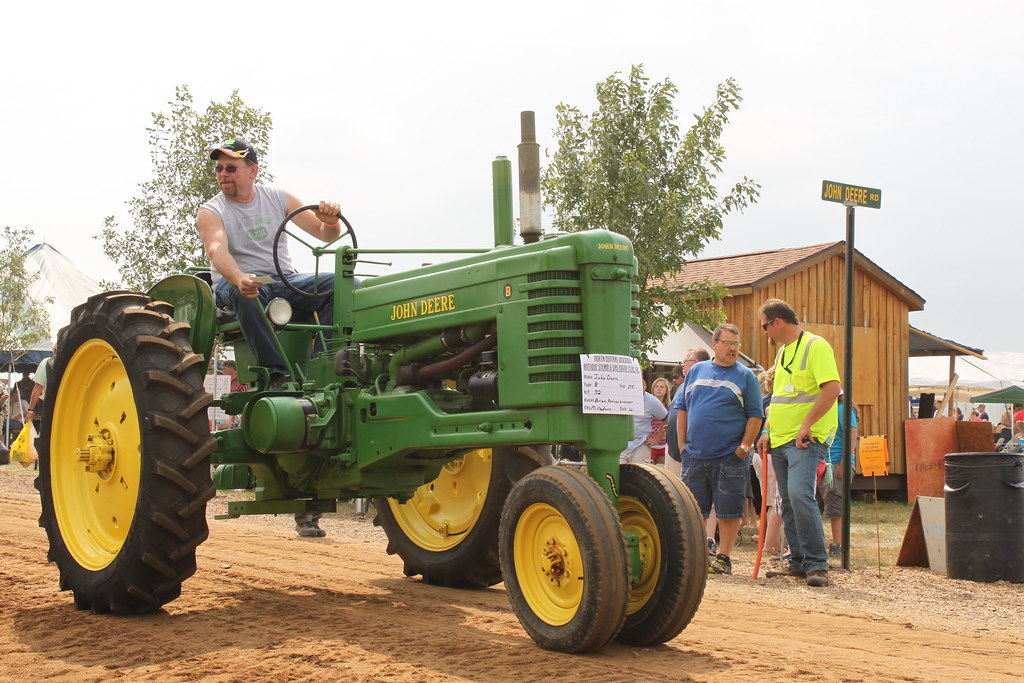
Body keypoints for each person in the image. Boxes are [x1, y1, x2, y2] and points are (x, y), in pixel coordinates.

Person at [196, 139, 343, 390]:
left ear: (253, 171)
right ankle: (277, 375)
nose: (223, 174)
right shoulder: (211, 211)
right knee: (246, 294)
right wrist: (239, 277)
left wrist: (331, 221)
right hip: (235, 283)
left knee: (341, 285)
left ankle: (323, 366)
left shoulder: (279, 198)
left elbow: (325, 235)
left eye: (231, 168)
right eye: (219, 169)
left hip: (282, 280)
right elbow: (216, 250)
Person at [757, 298, 840, 588]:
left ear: (776, 322)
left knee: (800, 495)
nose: (764, 331)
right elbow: (778, 398)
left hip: (805, 438)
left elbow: (832, 389)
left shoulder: (816, 347)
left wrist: (806, 426)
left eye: (765, 325)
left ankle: (818, 564)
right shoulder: (782, 353)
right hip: (780, 438)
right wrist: (767, 431)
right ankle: (799, 561)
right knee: (788, 501)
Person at [676, 324, 763, 575]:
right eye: (728, 343)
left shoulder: (746, 376)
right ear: (714, 344)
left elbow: (755, 416)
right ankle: (698, 555)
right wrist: (683, 446)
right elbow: (682, 408)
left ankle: (724, 557)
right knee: (694, 507)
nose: (733, 349)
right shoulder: (696, 371)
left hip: (729, 454)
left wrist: (744, 448)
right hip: (694, 454)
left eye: (737, 345)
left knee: (728, 508)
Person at [817, 394, 858, 558]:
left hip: (837, 463)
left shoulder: (843, 410)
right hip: (825, 462)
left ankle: (838, 544)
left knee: (835, 503)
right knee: (822, 503)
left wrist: (845, 461)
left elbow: (852, 435)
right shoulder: (829, 409)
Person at [752, 366, 784, 557]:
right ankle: (771, 543)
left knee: (769, 500)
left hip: (759, 455)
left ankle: (772, 540)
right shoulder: (777, 402)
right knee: (777, 500)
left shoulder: (761, 401)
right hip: (771, 453)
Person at [666, 348, 710, 478]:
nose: (681, 365)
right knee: (671, 494)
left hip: (690, 454)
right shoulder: (681, 386)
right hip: (673, 452)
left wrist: (683, 448)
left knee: (690, 495)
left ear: (695, 363)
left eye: (684, 361)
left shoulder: (705, 387)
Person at [621, 379, 668, 465]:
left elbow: (666, 418)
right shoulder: (620, 397)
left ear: (645, 387)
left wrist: (657, 439)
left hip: (641, 444)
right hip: (620, 445)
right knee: (617, 476)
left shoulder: (652, 401)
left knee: (639, 476)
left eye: (641, 386)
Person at [648, 377, 671, 465]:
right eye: (656, 386)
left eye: (661, 387)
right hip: (650, 445)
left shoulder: (669, 407)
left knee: (662, 472)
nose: (658, 388)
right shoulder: (648, 405)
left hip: (664, 445)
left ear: (666, 390)